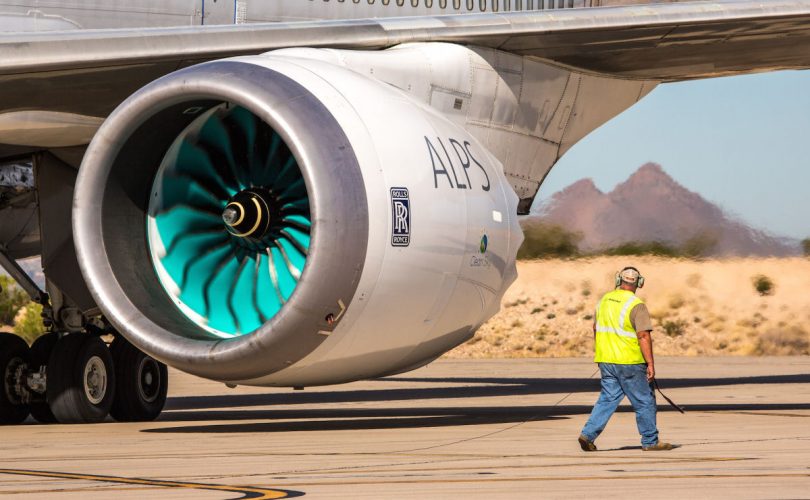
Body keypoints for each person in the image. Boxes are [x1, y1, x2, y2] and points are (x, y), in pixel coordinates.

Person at [578, 266, 675, 452]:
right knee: (644, 400)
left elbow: (595, 329)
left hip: (606, 360)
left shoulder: (604, 300)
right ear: (639, 283)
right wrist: (650, 363)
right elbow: (643, 336)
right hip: (630, 362)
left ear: (618, 280)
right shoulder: (636, 304)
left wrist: (601, 353)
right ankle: (650, 441)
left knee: (607, 399)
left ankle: (588, 435)